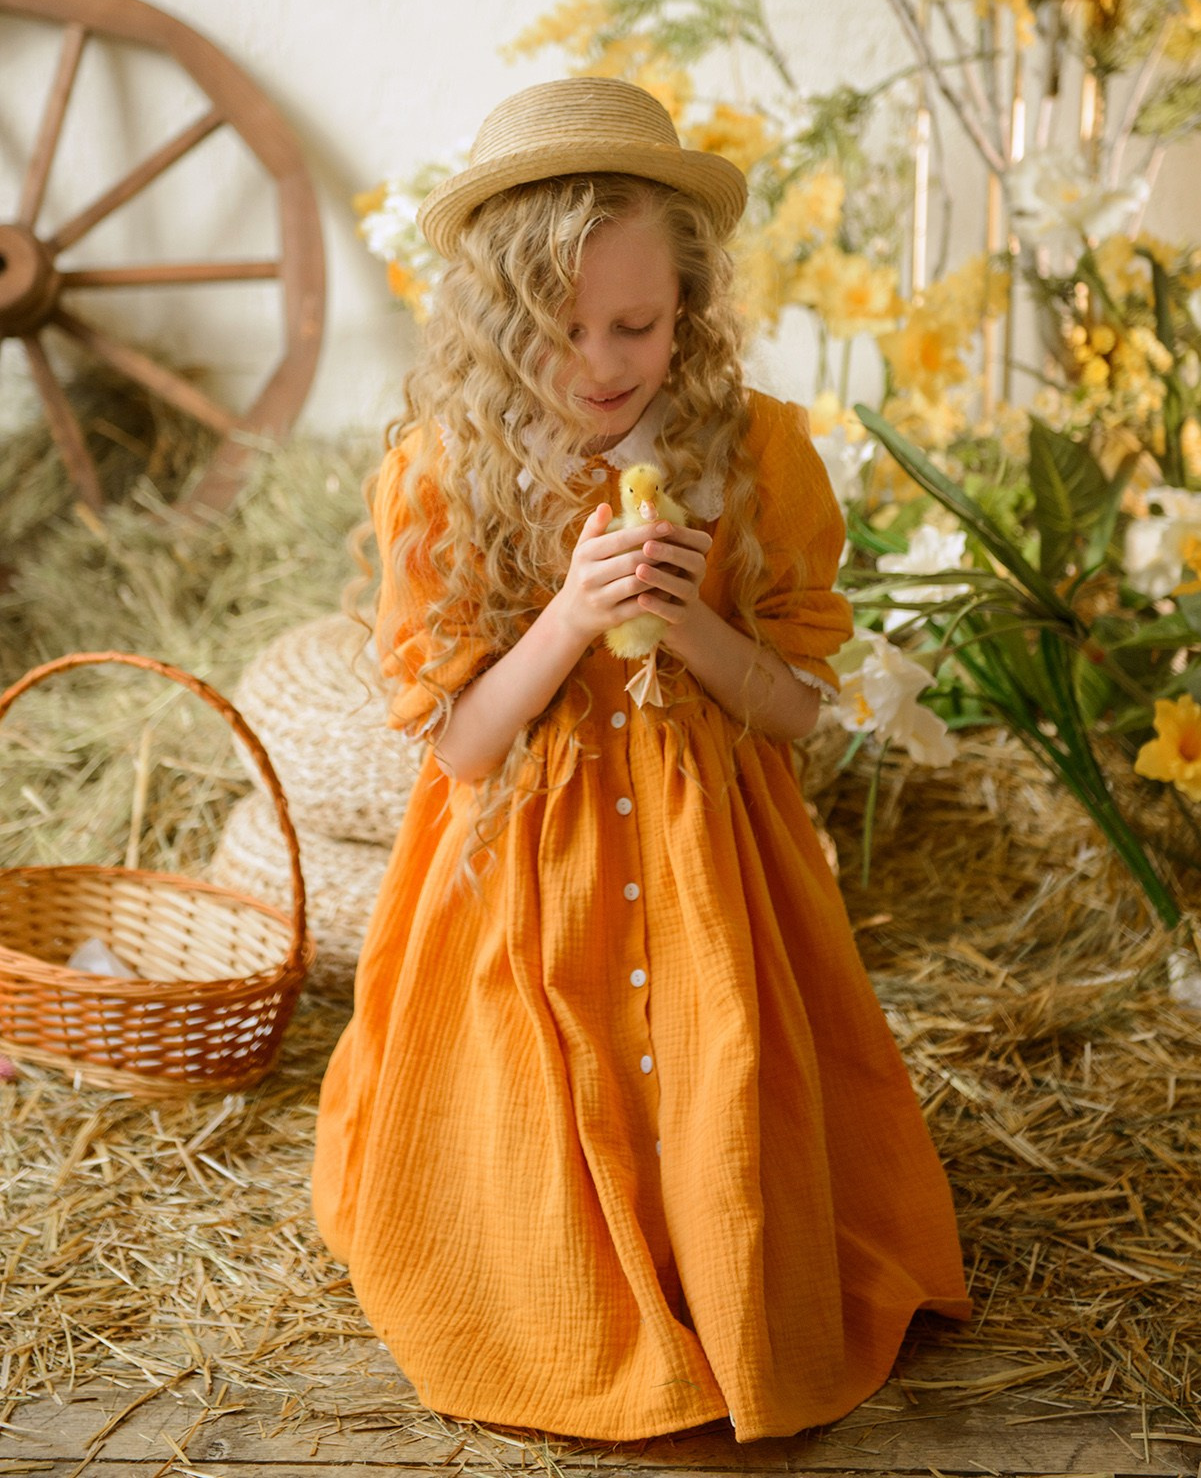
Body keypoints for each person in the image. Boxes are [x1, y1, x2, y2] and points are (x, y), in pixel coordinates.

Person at [310, 76, 971, 1444]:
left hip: (707, 867)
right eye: (562, 332)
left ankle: (721, 1280)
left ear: (690, 311)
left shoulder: (762, 457)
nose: (604, 362)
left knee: (718, 1084)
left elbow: (792, 713)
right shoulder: (442, 475)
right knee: (534, 1109)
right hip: (516, 875)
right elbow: (466, 745)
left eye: (640, 324)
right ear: (498, 327)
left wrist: (682, 619)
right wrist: (571, 613)